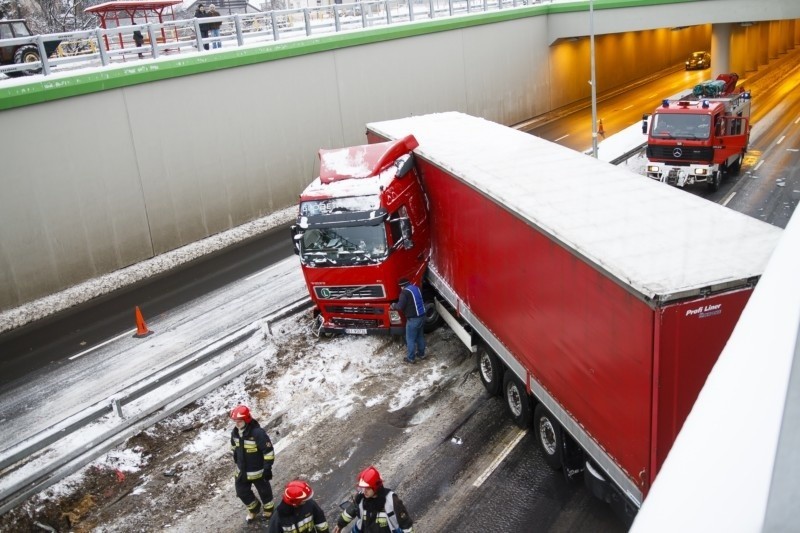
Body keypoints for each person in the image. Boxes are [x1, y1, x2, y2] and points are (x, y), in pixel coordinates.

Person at [332, 466, 414, 533]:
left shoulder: (391, 500)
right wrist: (340, 525)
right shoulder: (361, 498)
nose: (364, 491)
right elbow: (351, 511)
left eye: (367, 488)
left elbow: (406, 525)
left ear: (375, 487)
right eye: (362, 488)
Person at [230, 404, 276, 522]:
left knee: (264, 491)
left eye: (239, 421)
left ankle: (269, 509)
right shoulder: (235, 433)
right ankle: (254, 508)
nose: (237, 424)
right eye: (235, 421)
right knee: (241, 492)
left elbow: (268, 451)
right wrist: (236, 459)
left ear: (246, 420)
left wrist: (267, 468)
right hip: (242, 471)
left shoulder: (258, 433)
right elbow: (234, 447)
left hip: (258, 471)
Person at [391, 278, 426, 364]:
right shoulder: (416, 288)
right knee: (420, 336)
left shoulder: (404, 293)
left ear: (402, 286)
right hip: (422, 316)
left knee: (410, 339)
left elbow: (400, 307)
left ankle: (411, 358)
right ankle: (421, 354)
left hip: (413, 319)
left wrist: (393, 305)